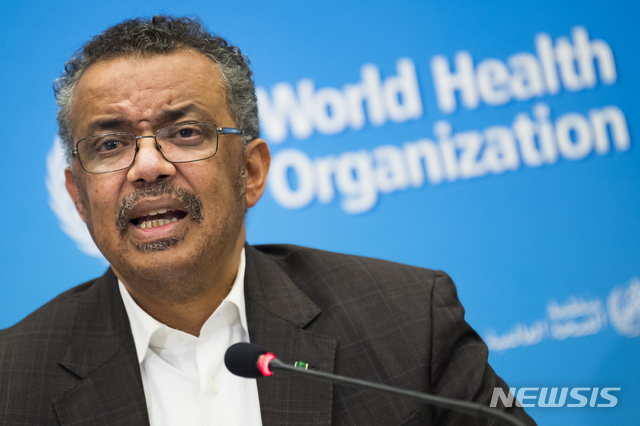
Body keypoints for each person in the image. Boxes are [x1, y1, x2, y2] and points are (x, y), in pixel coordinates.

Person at [0, 15, 536, 426]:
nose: (147, 166)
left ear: (251, 172)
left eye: (184, 133)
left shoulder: (408, 321)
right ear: (78, 196)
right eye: (110, 144)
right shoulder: (11, 383)